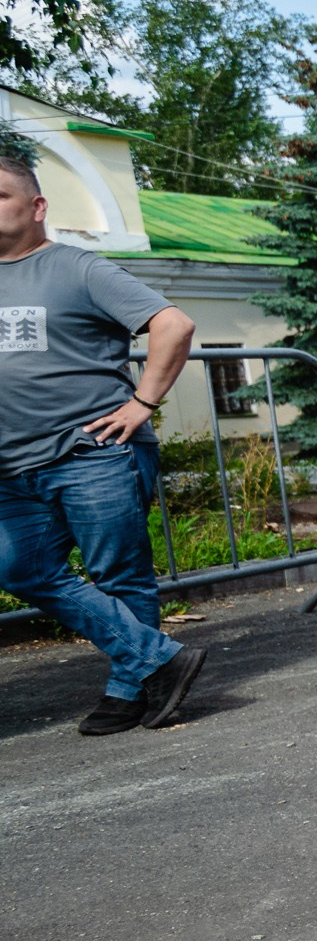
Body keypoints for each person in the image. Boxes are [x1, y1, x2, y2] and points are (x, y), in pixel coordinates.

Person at [0, 144, 206, 733]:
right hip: (12, 466)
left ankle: (129, 692)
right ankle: (157, 659)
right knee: (19, 569)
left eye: (0, 195)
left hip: (92, 452)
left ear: (36, 206)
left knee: (119, 576)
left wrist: (142, 403)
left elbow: (174, 325)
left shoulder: (76, 267)